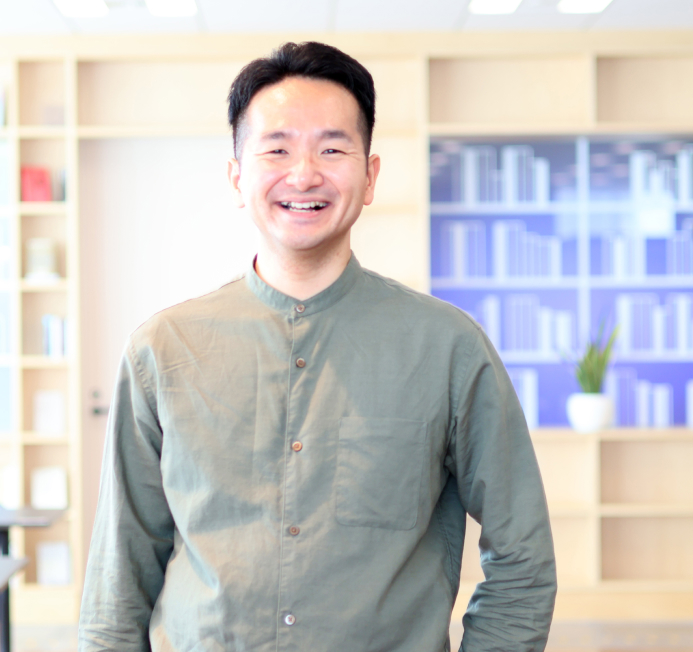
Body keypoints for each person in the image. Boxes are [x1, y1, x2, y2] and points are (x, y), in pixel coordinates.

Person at [79, 41, 556, 652]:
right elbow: (119, 574)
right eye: (276, 149)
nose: (303, 174)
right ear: (237, 176)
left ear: (370, 175)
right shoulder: (162, 350)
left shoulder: (448, 347)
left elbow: (524, 558)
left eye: (332, 149)